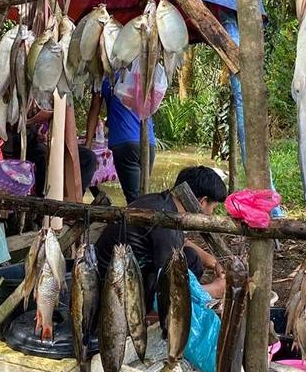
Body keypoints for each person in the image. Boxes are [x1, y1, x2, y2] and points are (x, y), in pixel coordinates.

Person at [93, 165, 228, 305]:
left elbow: (183, 241)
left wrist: (214, 263)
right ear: (202, 201)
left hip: (125, 267)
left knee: (191, 257)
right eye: (213, 208)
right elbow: (168, 284)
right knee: (174, 278)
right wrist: (213, 290)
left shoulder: (164, 202)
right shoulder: (166, 222)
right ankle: (158, 315)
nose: (211, 213)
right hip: (114, 284)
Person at [84, 76, 156, 203]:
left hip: (124, 142)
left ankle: (135, 222)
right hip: (148, 141)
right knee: (142, 195)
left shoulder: (102, 76)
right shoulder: (139, 73)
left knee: (135, 200)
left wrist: (88, 143)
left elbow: (95, 107)